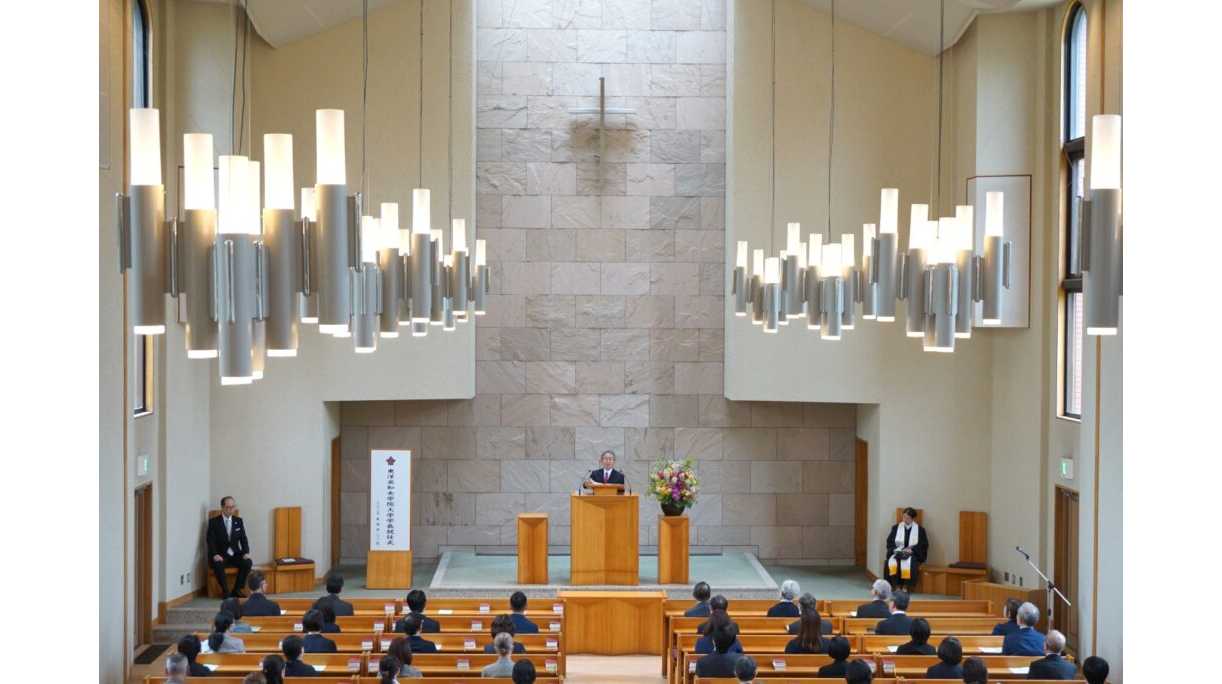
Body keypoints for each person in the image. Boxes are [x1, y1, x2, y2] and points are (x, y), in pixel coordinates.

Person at [207, 496, 252, 598]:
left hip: (235, 554)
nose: (231, 510)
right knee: (217, 564)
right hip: (221, 555)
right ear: (222, 507)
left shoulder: (238, 521)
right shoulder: (214, 522)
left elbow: (243, 538)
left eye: (232, 507)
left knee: (247, 562)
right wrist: (214, 554)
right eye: (228, 507)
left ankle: (237, 589)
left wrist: (246, 552)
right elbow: (210, 541)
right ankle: (226, 591)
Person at [885, 507, 929, 592]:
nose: (905, 519)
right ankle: (896, 586)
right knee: (893, 562)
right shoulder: (896, 528)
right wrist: (895, 549)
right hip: (898, 552)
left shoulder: (920, 530)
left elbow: (923, 545)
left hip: (912, 553)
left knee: (910, 562)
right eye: (904, 517)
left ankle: (906, 586)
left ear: (913, 518)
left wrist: (912, 550)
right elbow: (890, 541)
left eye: (907, 518)